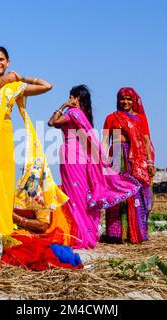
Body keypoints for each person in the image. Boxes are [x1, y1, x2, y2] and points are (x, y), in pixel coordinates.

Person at [0, 46, 53, 236]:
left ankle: (1, 230)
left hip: (3, 134)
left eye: (1, 59)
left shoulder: (14, 87)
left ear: (8, 62)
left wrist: (22, 78)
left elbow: (47, 86)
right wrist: (10, 78)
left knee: (2, 182)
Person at [48, 85, 141, 249]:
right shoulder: (81, 115)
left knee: (75, 195)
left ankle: (79, 234)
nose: (70, 99)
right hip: (75, 154)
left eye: (72, 97)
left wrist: (62, 106)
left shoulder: (73, 113)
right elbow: (52, 123)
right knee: (79, 194)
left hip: (73, 155)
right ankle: (83, 231)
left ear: (78, 98)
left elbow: (52, 122)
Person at [102, 87, 155, 243]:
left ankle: (135, 233)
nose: (125, 102)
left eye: (128, 99)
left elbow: (146, 141)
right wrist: (104, 160)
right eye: (122, 99)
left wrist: (149, 162)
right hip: (116, 155)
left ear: (133, 101)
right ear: (118, 100)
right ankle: (117, 234)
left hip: (135, 159)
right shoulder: (111, 118)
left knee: (135, 193)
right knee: (116, 191)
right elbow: (105, 141)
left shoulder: (140, 118)